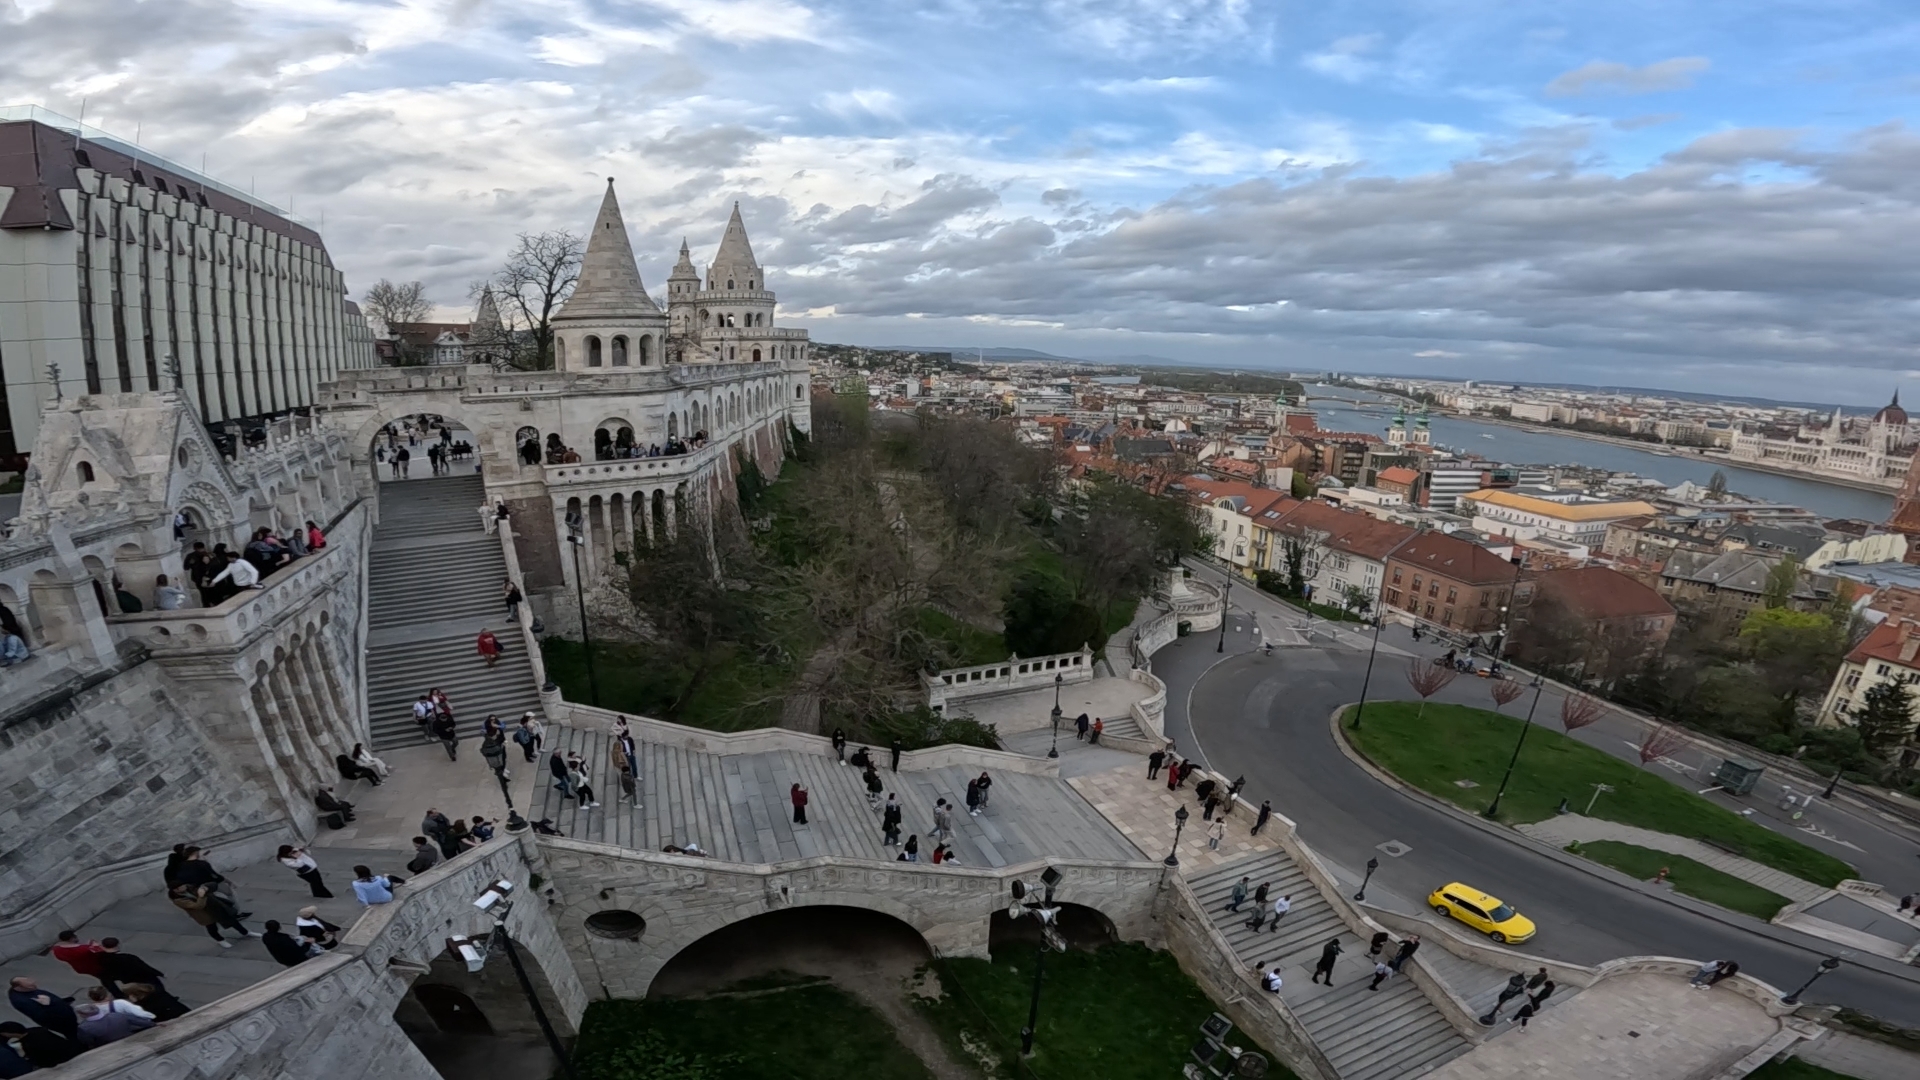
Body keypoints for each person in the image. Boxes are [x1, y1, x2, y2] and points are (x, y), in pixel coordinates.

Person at [170, 883, 250, 945]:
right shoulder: (178, 900)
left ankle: (245, 932)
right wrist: (201, 896)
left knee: (233, 921)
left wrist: (205, 888)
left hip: (214, 909)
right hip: (203, 914)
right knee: (212, 928)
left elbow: (213, 884)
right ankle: (220, 940)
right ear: (175, 890)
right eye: (179, 888)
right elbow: (198, 906)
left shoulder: (191, 887)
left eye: (182, 886)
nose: (183, 887)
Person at [7, 979, 77, 1041]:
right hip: (61, 1023)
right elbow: (41, 1015)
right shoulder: (22, 1001)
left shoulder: (28, 990)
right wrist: (49, 1005)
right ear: (18, 987)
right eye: (30, 986)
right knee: (73, 1035)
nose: (34, 987)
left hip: (67, 1016)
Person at [96, 940, 166, 996]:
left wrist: (118, 995)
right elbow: (144, 967)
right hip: (143, 977)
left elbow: (106, 979)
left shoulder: (102, 960)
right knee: (157, 989)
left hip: (128, 980)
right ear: (117, 945)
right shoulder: (128, 957)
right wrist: (158, 973)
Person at [0, 1021, 76, 1071]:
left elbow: (39, 1061)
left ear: (10, 1034)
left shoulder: (28, 1045)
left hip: (60, 1061)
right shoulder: (38, 1029)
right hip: (71, 1051)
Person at [73, 1002, 146, 1048]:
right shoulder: (117, 1015)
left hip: (109, 1047)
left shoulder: (84, 1028)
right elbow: (139, 1022)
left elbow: (87, 1042)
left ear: (82, 1015)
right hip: (132, 1041)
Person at [121, 983, 186, 1022]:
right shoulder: (155, 991)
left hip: (171, 1017)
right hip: (181, 1010)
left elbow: (148, 1014)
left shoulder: (146, 1002)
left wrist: (136, 1003)